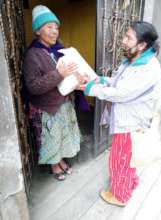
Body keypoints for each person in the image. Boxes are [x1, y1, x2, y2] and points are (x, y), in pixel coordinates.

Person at [79, 21, 161, 206]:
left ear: (141, 45)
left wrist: (91, 88)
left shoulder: (147, 68)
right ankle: (130, 183)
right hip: (130, 121)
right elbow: (119, 82)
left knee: (120, 161)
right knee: (128, 159)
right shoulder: (135, 59)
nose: (123, 40)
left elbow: (121, 93)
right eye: (125, 35)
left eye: (128, 38)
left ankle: (119, 196)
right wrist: (100, 79)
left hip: (130, 124)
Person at [23, 5, 85, 181]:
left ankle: (61, 160)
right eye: (49, 27)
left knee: (63, 135)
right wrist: (59, 74)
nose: (54, 31)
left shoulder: (59, 49)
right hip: (47, 107)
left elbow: (69, 72)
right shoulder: (32, 55)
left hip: (64, 102)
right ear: (37, 30)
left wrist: (78, 78)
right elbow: (33, 86)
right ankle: (54, 165)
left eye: (56, 27)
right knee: (51, 138)